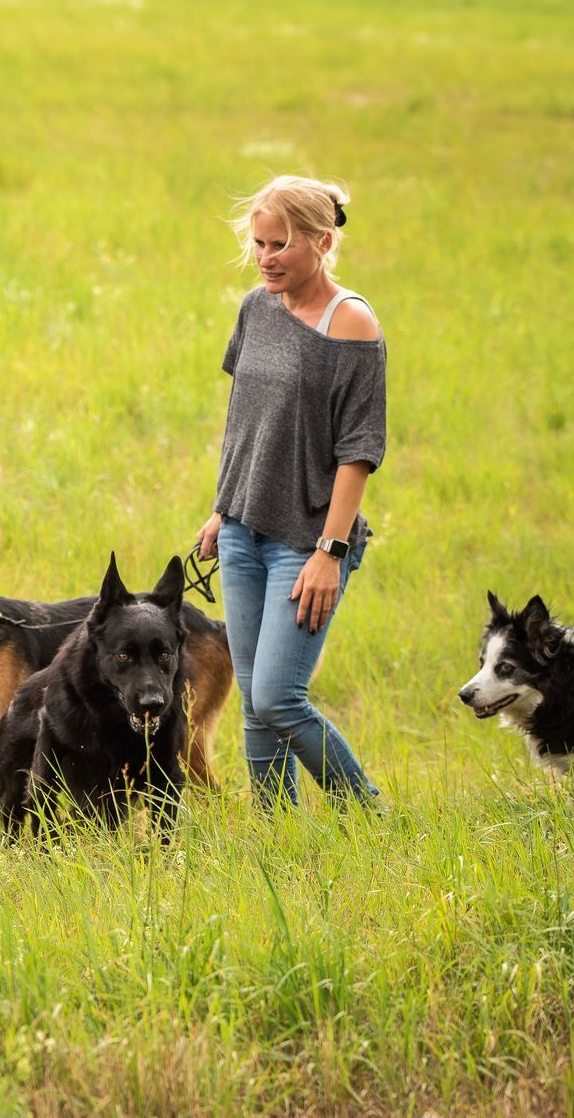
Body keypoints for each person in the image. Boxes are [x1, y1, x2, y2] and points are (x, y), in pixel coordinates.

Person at [194, 175, 384, 808]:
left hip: (307, 542)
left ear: (321, 242)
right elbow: (245, 422)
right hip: (244, 530)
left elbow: (358, 450)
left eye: (280, 245)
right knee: (254, 701)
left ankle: (372, 815)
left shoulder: (352, 323)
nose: (266, 257)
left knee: (278, 696)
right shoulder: (256, 308)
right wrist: (223, 510)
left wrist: (330, 552)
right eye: (258, 243)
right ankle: (281, 841)